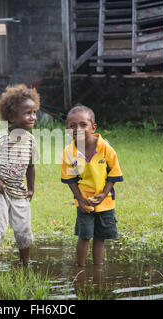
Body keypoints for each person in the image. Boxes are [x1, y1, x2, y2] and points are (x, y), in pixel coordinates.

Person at [0, 84, 40, 269]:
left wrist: (31, 188)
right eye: (27, 113)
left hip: (18, 191)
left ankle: (25, 263)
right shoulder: (1, 137)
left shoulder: (30, 140)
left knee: (23, 229)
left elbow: (31, 166)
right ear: (12, 117)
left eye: (34, 112)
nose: (33, 117)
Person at [61, 105, 123, 267]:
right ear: (67, 130)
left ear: (93, 127)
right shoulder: (69, 152)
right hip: (84, 201)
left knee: (100, 237)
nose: (77, 129)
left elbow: (113, 173)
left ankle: (98, 269)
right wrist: (80, 200)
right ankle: (80, 270)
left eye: (83, 124)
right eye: (72, 126)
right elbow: (71, 179)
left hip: (105, 199)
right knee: (84, 235)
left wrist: (103, 194)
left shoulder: (105, 148)